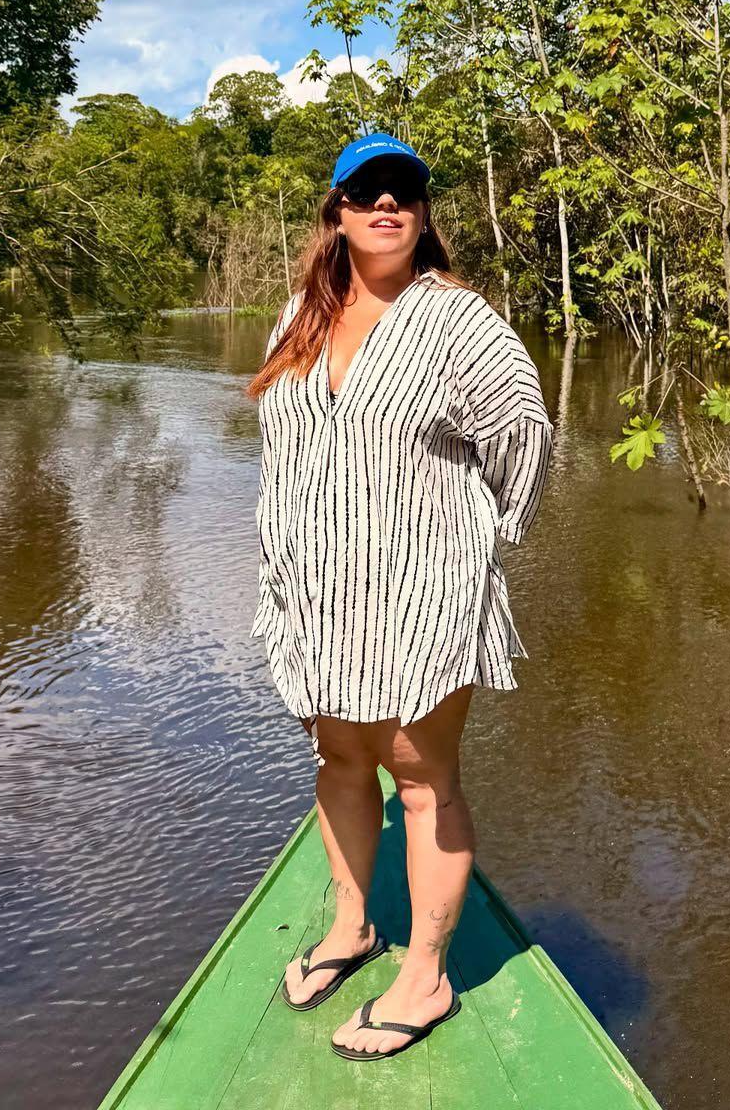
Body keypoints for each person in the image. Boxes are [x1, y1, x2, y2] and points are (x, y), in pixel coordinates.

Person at [246, 131, 555, 1062]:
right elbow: (280, 445)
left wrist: (477, 545)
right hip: (314, 589)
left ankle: (425, 979)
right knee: (340, 759)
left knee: (420, 777)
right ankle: (353, 929)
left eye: (405, 192)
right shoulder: (301, 313)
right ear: (336, 212)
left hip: (423, 591)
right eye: (367, 191)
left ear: (421, 213)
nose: (388, 205)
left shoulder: (459, 321)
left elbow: (525, 438)